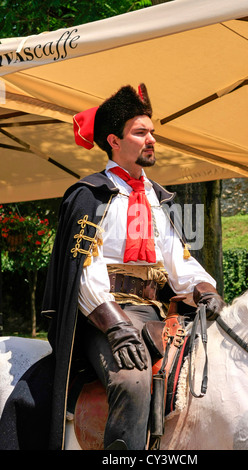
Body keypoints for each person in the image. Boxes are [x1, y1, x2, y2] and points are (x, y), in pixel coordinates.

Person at [0, 83, 224, 451]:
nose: (152, 139)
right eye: (141, 132)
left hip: (155, 317)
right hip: (100, 319)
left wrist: (205, 289)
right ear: (114, 141)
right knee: (133, 380)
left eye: (152, 132)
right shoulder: (89, 195)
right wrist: (116, 326)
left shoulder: (156, 197)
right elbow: (84, 272)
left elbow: (178, 259)